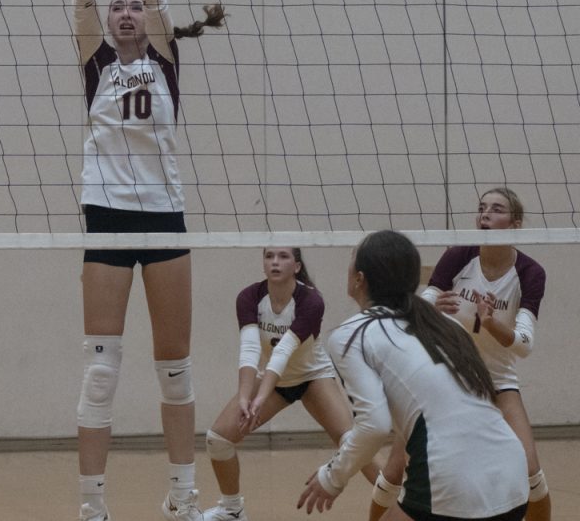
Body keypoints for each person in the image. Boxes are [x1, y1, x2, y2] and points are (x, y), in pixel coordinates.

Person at [35, 0, 226, 521]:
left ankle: (184, 495)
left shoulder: (167, 56)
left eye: (133, 7)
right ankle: (92, 504)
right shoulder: (96, 61)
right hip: (108, 217)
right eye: (117, 8)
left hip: (165, 217)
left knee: (176, 368)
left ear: (148, 19)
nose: (124, 11)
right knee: (102, 368)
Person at [298, 230, 528, 521]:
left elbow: (375, 425)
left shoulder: (351, 333)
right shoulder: (444, 323)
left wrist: (332, 477)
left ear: (359, 279)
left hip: (454, 484)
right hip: (513, 475)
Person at [368, 188, 549, 521]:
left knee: (531, 470)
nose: (485, 215)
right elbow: (416, 309)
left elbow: (524, 344)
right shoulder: (459, 255)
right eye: (481, 208)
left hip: (497, 379)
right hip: (448, 375)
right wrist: (429, 307)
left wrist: (493, 324)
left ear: (516, 223)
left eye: (496, 209)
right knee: (395, 467)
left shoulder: (530, 273)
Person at [201, 247, 378, 521]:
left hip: (313, 377)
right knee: (218, 440)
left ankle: (396, 499)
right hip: (275, 382)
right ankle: (231, 509)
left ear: (296, 266)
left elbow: (283, 352)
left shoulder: (311, 301)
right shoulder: (249, 297)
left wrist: (260, 397)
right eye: (269, 256)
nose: (274, 262)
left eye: (283, 256)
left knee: (352, 443)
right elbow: (249, 350)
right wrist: (246, 397)